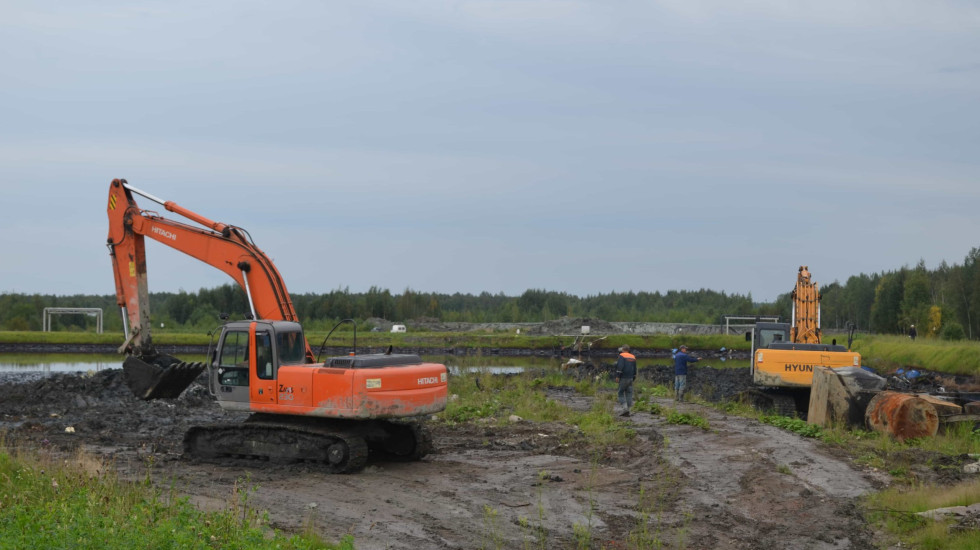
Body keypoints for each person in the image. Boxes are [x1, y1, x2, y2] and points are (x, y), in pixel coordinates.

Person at [614, 344, 637, 417]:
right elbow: (635, 368)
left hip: (624, 377)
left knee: (620, 393)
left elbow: (620, 366)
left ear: (623, 349)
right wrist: (634, 377)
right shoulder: (633, 356)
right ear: (628, 350)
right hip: (631, 377)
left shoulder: (622, 356)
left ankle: (625, 409)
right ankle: (628, 410)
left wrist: (618, 376)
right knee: (629, 393)